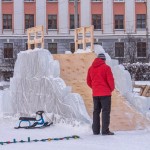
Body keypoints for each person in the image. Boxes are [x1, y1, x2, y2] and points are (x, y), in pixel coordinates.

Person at [86, 53, 115, 135]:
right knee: (105, 112)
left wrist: (95, 88)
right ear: (104, 60)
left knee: (96, 111)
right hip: (105, 94)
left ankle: (95, 130)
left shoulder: (90, 68)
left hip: (95, 94)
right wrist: (110, 89)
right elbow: (111, 81)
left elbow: (88, 81)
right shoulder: (106, 68)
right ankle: (105, 130)